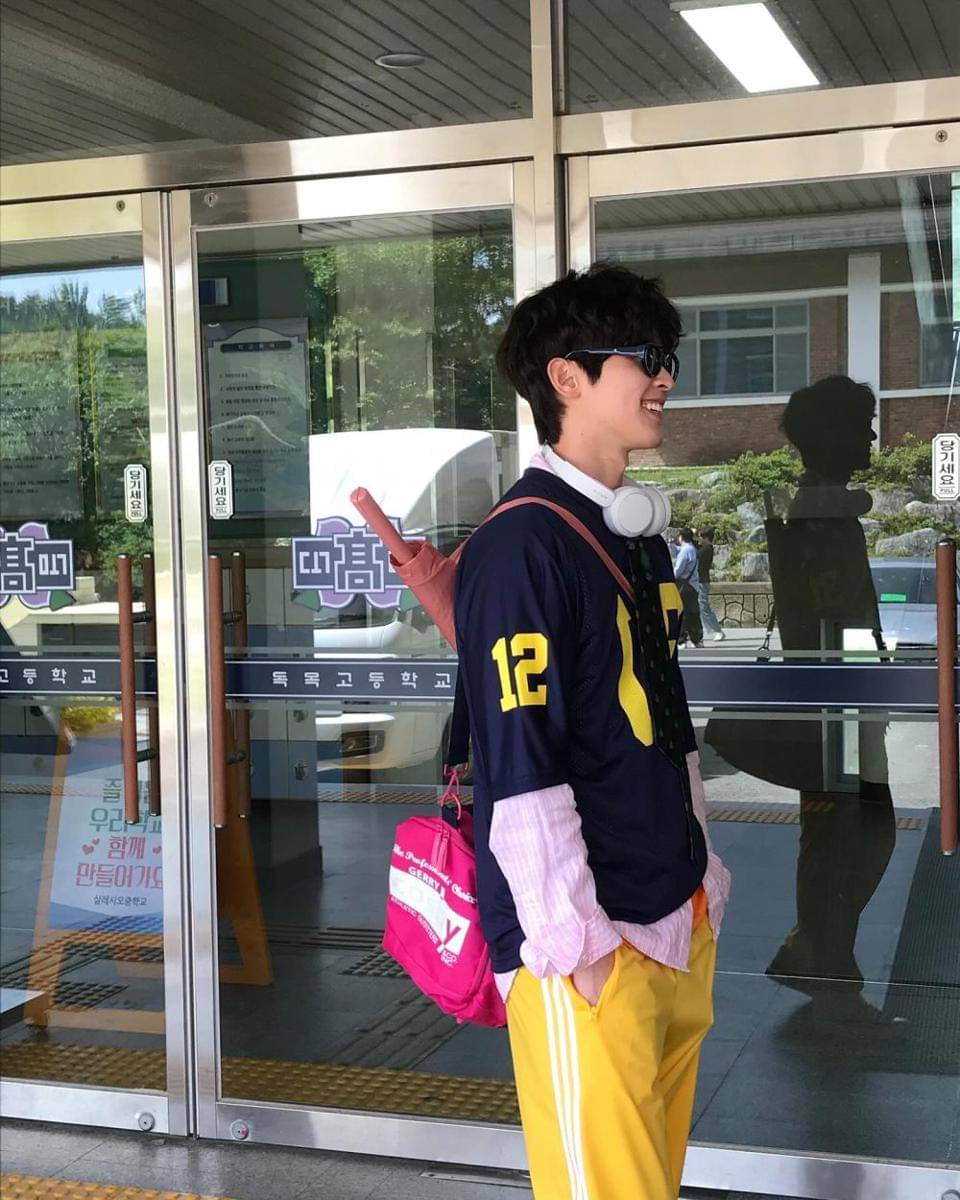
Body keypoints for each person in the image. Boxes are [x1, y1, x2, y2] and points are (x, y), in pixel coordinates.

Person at [454, 265, 731, 1200]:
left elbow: (653, 720)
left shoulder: (629, 531)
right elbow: (521, 765)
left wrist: (703, 878)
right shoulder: (521, 545)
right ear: (566, 378)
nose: (665, 377)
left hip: (672, 916)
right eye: (644, 357)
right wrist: (581, 947)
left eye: (669, 356)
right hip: (589, 944)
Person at [764, 375, 895, 1009]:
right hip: (835, 701)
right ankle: (821, 954)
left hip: (842, 695)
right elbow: (831, 619)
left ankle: (821, 951)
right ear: (832, 434)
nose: (870, 436)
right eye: (860, 425)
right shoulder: (820, 513)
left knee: (849, 831)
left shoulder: (826, 508)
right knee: (849, 831)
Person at [673, 527, 703, 647]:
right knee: (693, 613)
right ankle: (697, 639)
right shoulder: (693, 549)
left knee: (683, 613)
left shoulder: (685, 551)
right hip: (693, 585)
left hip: (684, 586)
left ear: (681, 537)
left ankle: (682, 639)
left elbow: (678, 570)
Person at [696, 527, 725, 640]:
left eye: (700, 537)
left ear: (706, 538)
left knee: (704, 607)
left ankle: (718, 631)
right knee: (700, 607)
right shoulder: (703, 548)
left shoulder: (707, 549)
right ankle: (708, 629)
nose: (699, 539)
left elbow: (697, 556)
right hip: (700, 580)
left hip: (702, 581)